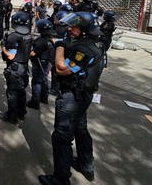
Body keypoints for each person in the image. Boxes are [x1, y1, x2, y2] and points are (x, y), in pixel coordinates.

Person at [38, 12, 105, 185]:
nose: (70, 29)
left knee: (61, 136)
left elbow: (61, 68)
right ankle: (85, 164)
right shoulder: (97, 43)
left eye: (74, 27)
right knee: (81, 128)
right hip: (84, 95)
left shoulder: (83, 49)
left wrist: (60, 47)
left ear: (84, 30)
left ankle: (61, 178)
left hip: (72, 96)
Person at [0, 11, 32, 124]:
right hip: (24, 67)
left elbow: (10, 55)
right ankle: (21, 112)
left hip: (15, 68)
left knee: (12, 92)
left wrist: (3, 47)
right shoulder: (28, 34)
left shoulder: (14, 36)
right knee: (21, 90)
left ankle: (12, 116)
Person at [27, 19, 55, 110]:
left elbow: (33, 53)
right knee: (44, 79)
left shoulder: (40, 41)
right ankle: (44, 98)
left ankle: (35, 102)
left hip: (39, 63)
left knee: (36, 82)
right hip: (47, 63)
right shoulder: (50, 40)